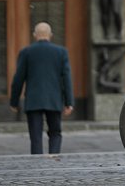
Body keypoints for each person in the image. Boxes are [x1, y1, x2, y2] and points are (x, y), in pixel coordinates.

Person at [10, 22, 74, 155]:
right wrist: (69, 102)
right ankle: (54, 158)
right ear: (50, 35)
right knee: (55, 133)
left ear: (34, 35)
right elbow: (66, 78)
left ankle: (37, 163)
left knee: (35, 136)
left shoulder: (26, 52)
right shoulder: (61, 52)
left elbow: (18, 79)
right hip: (54, 100)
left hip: (34, 100)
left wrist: (14, 101)